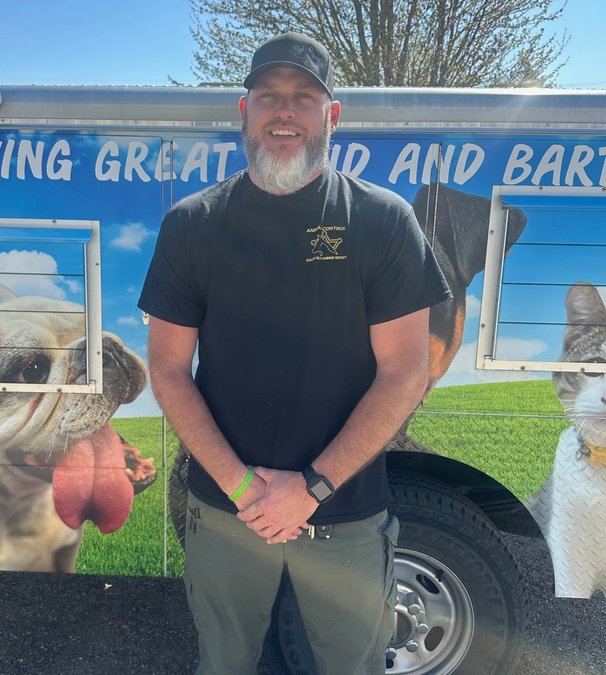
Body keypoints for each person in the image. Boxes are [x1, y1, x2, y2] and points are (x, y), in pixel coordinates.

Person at [138, 31, 451, 675]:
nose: (285, 111)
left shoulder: (383, 221)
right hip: (226, 511)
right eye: (269, 95)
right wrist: (244, 486)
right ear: (244, 110)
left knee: (353, 666)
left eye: (304, 97)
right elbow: (168, 370)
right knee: (223, 664)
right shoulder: (192, 225)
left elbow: (405, 371)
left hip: (346, 513)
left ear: (331, 115)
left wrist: (311, 488)